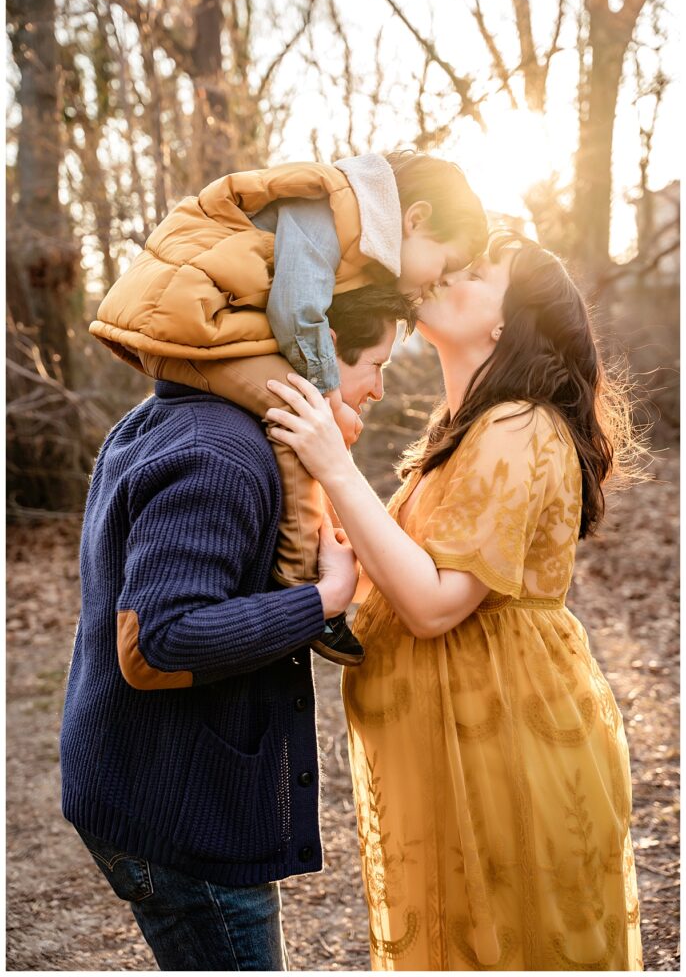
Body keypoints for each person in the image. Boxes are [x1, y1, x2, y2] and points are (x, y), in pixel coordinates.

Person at [265, 231, 644, 971]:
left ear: (507, 321)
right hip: (457, 734)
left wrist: (335, 467)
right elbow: (410, 570)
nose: (448, 274)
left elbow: (436, 605)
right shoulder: (465, 430)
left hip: (504, 735)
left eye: (477, 273)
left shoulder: (520, 425)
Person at [59, 286, 412, 972]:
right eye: (378, 366)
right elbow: (161, 639)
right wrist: (326, 598)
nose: (375, 390)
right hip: (181, 817)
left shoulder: (173, 417)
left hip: (154, 783)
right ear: (327, 349)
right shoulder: (222, 452)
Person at [89, 150, 488, 664]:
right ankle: (310, 590)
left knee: (311, 431)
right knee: (303, 433)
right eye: (445, 265)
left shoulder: (347, 224)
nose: (437, 282)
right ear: (416, 219)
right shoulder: (327, 206)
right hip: (188, 315)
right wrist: (325, 399)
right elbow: (297, 309)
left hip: (196, 313)